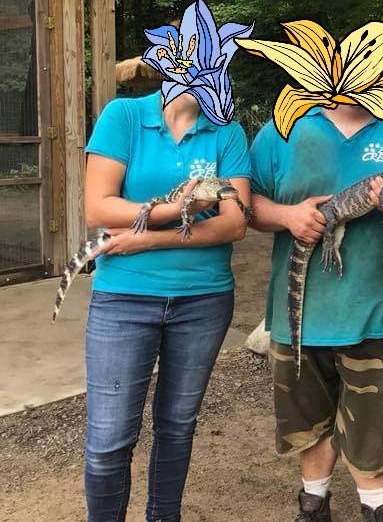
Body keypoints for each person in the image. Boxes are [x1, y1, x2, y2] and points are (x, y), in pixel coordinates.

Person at [248, 102, 383, 522]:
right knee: (306, 422)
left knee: (369, 424)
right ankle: (313, 504)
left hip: (373, 314)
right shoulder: (282, 129)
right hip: (300, 317)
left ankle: (376, 507)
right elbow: (246, 204)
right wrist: (287, 215)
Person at [82, 88, 251, 522]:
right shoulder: (124, 116)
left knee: (177, 426)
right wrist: (175, 210)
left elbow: (235, 223)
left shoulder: (227, 131)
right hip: (124, 299)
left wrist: (146, 239)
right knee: (108, 440)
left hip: (204, 299)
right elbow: (98, 209)